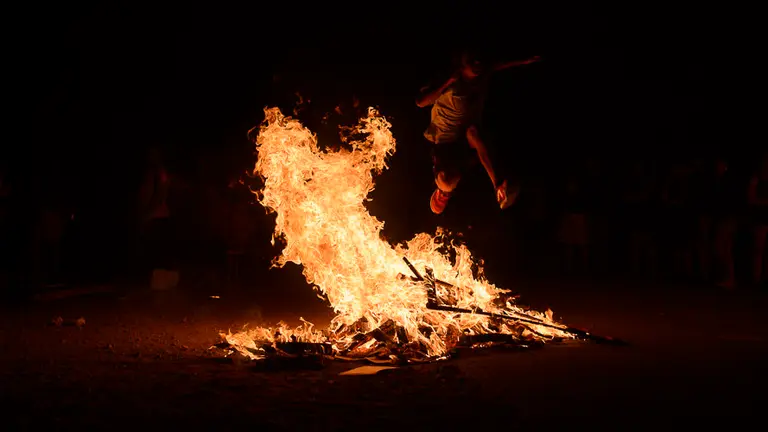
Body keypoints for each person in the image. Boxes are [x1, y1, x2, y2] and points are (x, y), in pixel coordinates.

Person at [415, 49, 540, 214]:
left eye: (478, 62)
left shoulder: (481, 75)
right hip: (448, 139)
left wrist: (524, 61)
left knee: (474, 136)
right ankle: (450, 190)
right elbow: (421, 102)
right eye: (472, 63)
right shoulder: (451, 80)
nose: (477, 66)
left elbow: (498, 65)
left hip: (457, 138)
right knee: (450, 176)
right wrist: (446, 82)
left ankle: (494, 185)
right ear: (462, 65)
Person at [747, 153, 768, 287]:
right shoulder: (756, 180)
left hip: (762, 217)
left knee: (760, 250)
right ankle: (757, 278)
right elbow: (751, 199)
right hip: (761, 218)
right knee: (758, 249)